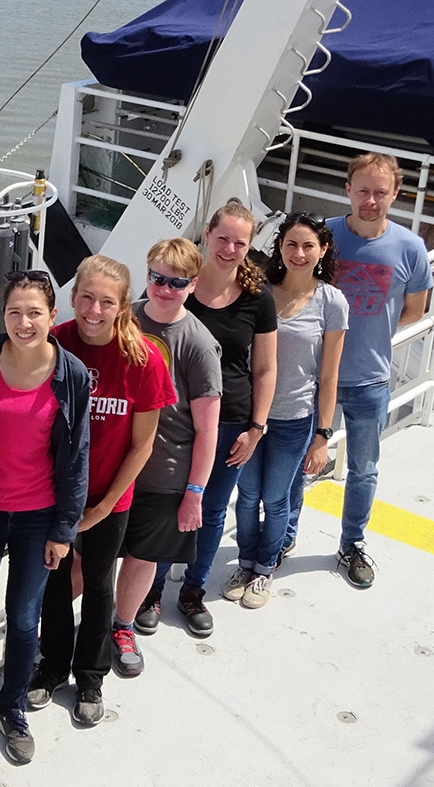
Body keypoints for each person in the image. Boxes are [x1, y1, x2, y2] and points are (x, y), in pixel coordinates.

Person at [29, 255, 174, 724]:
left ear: (123, 306)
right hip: (53, 495)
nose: (94, 309)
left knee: (97, 587)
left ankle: (90, 677)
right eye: (86, 298)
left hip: (110, 498)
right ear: (72, 299)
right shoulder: (56, 343)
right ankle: (50, 667)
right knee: (53, 582)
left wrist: (105, 505)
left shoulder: (144, 358)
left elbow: (144, 443)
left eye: (106, 301)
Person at [0, 269, 90, 764]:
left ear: (54, 315)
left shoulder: (70, 374)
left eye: (35, 312)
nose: (24, 321)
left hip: (38, 514)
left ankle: (11, 708)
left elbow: (77, 458)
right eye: (15, 311)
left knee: (25, 619)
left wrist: (64, 530)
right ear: (2, 315)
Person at [286, 153, 431, 588]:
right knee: (297, 463)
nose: (371, 200)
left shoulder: (411, 248)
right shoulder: (322, 237)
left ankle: (351, 544)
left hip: (370, 379)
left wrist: (367, 331)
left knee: (364, 468)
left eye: (380, 192)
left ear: (395, 194)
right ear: (347, 189)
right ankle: (284, 535)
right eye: (363, 190)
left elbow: (412, 310)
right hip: (313, 378)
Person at [146, 201, 277, 637]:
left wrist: (257, 427)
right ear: (207, 233)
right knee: (170, 505)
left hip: (231, 419)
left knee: (212, 509)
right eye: (223, 238)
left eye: (240, 242)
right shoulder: (181, 283)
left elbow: (264, 368)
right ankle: (151, 590)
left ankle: (193, 591)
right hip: (172, 421)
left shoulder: (258, 298)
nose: (230, 248)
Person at [223, 214, 348, 608]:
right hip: (249, 412)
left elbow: (329, 376)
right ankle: (245, 561)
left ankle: (264, 569)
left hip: (295, 417)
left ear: (323, 251)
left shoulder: (332, 302)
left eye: (308, 246)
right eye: (291, 244)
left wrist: (322, 437)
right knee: (247, 495)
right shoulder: (258, 291)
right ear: (279, 247)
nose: (299, 253)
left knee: (276, 498)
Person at [112, 239, 221, 675]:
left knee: (142, 556)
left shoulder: (199, 343)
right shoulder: (124, 319)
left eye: (176, 282)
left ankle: (122, 626)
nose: (164, 288)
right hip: (112, 467)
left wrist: (195, 492)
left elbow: (207, 428)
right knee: (85, 555)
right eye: (157, 277)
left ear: (193, 285)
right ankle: (56, 630)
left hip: (164, 474)